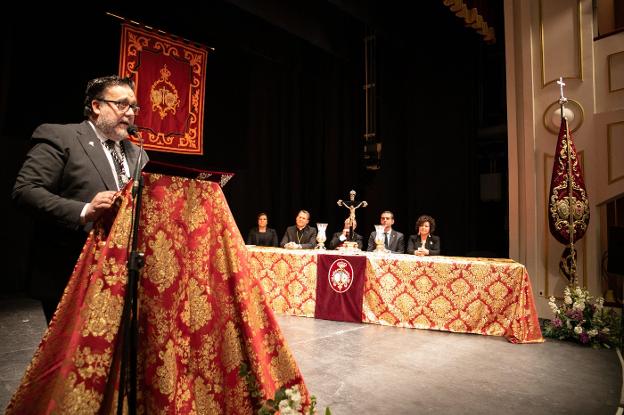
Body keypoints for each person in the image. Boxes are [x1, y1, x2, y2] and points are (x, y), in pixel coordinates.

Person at [12, 75, 149, 323]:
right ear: (96, 106)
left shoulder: (137, 152)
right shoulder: (61, 137)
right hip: (69, 269)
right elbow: (26, 190)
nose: (130, 113)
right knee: (72, 360)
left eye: (134, 107)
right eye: (122, 104)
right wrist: (85, 210)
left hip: (123, 273)